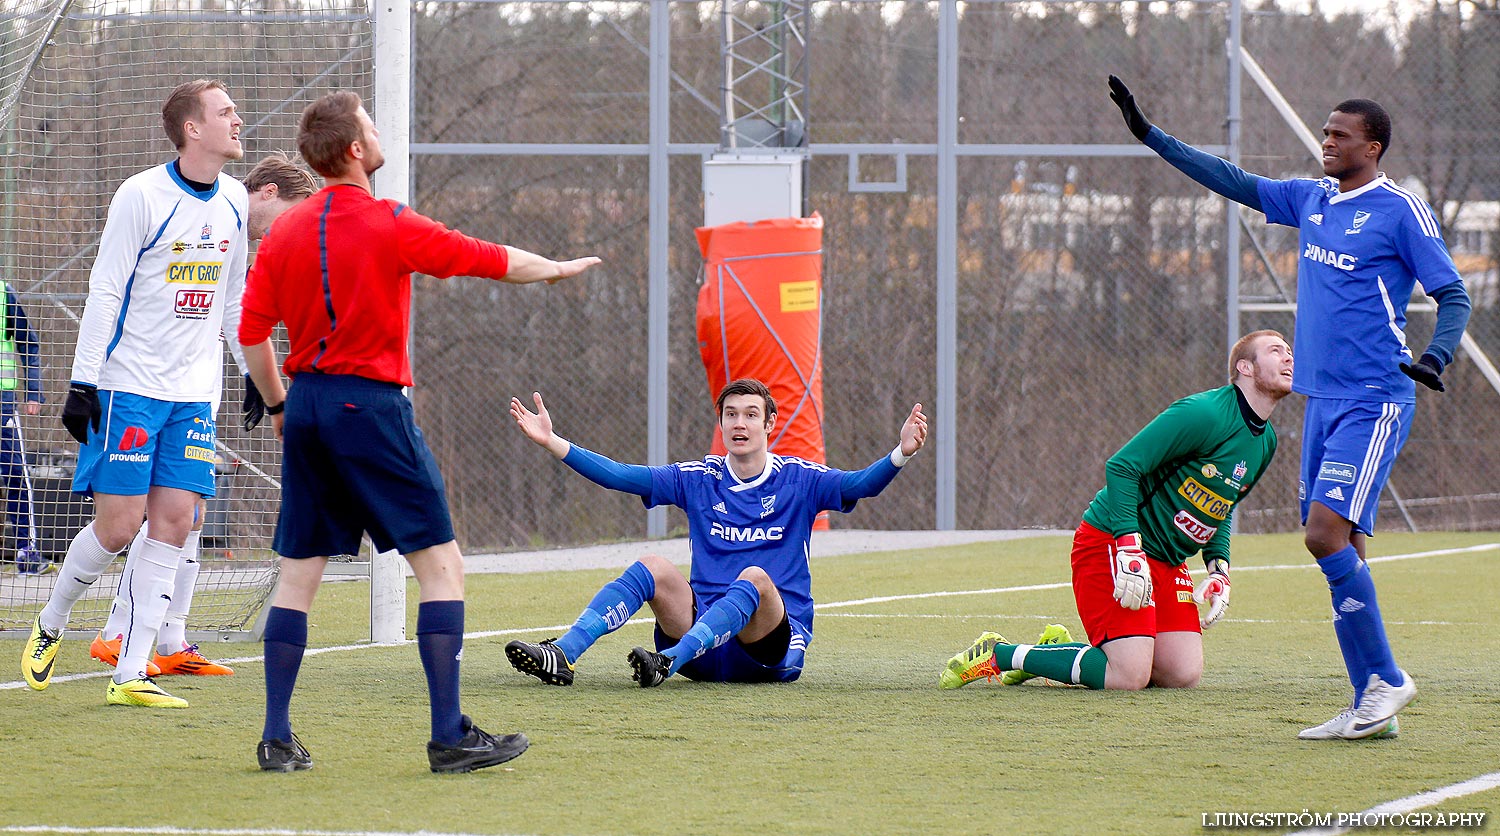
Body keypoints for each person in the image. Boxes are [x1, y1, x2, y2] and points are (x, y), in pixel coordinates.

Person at [238, 90, 600, 774]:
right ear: (354, 150)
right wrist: (555, 267)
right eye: (369, 127)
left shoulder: (283, 232)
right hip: (369, 408)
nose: (378, 135)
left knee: (298, 577)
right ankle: (448, 736)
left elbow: (252, 334)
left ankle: (276, 738)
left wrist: (281, 406)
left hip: (309, 407)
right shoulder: (387, 222)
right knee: (440, 567)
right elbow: (487, 256)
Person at [1107, 76, 1471, 739]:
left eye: (1339, 134)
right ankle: (1371, 703)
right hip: (1323, 402)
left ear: (1374, 145)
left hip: (1374, 400)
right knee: (1346, 542)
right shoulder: (1312, 199)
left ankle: (1386, 679)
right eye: (1325, 131)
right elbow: (1230, 179)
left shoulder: (1400, 210)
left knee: (1322, 535)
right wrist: (1149, 135)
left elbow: (1454, 294)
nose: (1325, 142)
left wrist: (1437, 356)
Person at [20, 79, 251, 711]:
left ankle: (130, 672)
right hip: (129, 389)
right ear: (191, 130)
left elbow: (232, 302)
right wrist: (83, 381)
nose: (238, 119)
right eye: (225, 111)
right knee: (119, 526)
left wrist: (255, 374)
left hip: (193, 396)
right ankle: (53, 620)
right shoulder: (141, 195)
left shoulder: (233, 200)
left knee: (176, 522)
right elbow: (106, 290)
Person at [503, 378, 928, 688]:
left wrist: (900, 454)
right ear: (721, 422)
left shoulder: (800, 478)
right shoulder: (699, 477)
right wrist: (554, 442)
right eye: (730, 414)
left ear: (770, 424)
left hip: (764, 650)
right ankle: (563, 654)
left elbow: (858, 485)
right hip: (701, 641)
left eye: (750, 414)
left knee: (755, 578)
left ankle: (667, 661)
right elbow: (620, 476)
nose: (739, 423)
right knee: (653, 565)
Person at [940, 331, 1295, 697]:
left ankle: (1062, 652)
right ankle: (1002, 654)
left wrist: (1219, 567)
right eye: (1275, 350)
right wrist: (1128, 546)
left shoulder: (1266, 441)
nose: (1288, 357)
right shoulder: (1204, 413)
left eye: (1289, 351)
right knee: (1128, 677)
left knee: (1182, 673)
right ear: (1245, 368)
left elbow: (1222, 504)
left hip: (1168, 561)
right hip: (1112, 541)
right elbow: (1122, 466)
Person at [88, 152, 318, 678]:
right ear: (265, 194)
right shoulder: (194, 215)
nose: (282, 232)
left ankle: (163, 637)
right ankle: (120, 635)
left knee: (190, 517)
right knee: (150, 519)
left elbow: (235, 316)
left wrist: (249, 376)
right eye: (287, 214)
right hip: (144, 391)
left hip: (194, 395)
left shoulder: (239, 243)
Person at [0, 282, 45, 573]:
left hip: (2, 403)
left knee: (15, 474)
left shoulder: (4, 294)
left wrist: (33, 390)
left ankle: (27, 552)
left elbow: (27, 342)